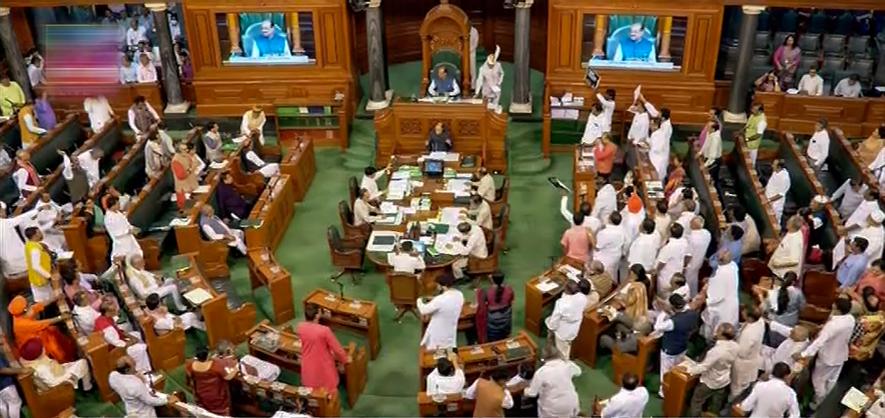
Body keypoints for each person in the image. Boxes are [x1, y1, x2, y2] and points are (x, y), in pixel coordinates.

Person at [794, 297, 856, 407]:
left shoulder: (833, 325)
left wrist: (803, 354)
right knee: (832, 380)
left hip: (828, 357)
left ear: (837, 309)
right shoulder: (850, 319)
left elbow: (819, 342)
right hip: (840, 355)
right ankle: (827, 399)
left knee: (818, 380)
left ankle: (819, 402)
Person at [684, 323, 739, 416]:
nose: (716, 331)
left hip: (710, 381)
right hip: (724, 380)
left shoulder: (716, 351)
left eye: (718, 330)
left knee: (697, 401)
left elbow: (704, 367)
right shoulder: (736, 346)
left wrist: (688, 370)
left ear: (722, 335)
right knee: (716, 404)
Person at [296, 304, 349, 392]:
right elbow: (337, 349)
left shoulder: (300, 327)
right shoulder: (324, 330)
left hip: (308, 365)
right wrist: (344, 360)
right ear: (317, 315)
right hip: (323, 366)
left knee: (313, 391)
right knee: (329, 391)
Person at [8, 296, 77, 362]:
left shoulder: (21, 313)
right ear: (24, 311)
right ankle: (65, 360)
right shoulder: (23, 324)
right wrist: (61, 317)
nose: (31, 306)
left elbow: (38, 306)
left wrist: (54, 298)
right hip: (33, 344)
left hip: (38, 332)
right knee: (56, 349)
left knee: (54, 331)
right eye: (28, 306)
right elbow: (46, 322)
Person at [654, 294, 699, 397]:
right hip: (682, 346)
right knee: (676, 368)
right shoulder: (693, 314)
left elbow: (657, 327)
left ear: (672, 306)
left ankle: (663, 392)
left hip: (670, 349)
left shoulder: (672, 322)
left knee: (665, 371)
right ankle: (674, 387)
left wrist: (663, 313)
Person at [94, 301, 153, 374]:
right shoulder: (107, 329)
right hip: (115, 352)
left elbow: (119, 331)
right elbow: (120, 346)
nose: (117, 311)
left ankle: (149, 357)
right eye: (115, 310)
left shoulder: (104, 317)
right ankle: (143, 371)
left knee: (137, 334)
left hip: (120, 341)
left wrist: (131, 337)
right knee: (141, 348)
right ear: (108, 312)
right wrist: (133, 341)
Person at [525, 345, 581, 418]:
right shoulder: (567, 365)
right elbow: (578, 372)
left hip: (552, 409)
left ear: (543, 359)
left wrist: (525, 390)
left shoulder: (541, 372)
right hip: (571, 404)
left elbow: (532, 393)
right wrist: (566, 361)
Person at [110, 356, 175, 418]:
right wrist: (167, 401)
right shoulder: (135, 385)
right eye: (133, 366)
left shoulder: (112, 377)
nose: (135, 369)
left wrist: (134, 376)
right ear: (127, 370)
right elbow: (150, 401)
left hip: (131, 410)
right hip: (145, 414)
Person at [18, 338, 92, 392]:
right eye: (42, 347)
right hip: (59, 382)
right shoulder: (41, 368)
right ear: (38, 353)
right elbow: (52, 384)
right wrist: (68, 376)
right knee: (83, 362)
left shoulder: (35, 358)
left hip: (58, 371)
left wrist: (63, 367)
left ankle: (87, 386)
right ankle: (87, 388)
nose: (44, 347)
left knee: (78, 363)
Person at [735, 362, 800, 418]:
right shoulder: (790, 393)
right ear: (786, 376)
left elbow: (746, 407)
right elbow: (795, 415)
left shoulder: (760, 386)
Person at [185, 346, 237, 415]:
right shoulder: (216, 365)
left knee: (207, 412)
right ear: (208, 355)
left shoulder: (190, 365)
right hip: (217, 394)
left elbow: (189, 380)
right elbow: (228, 377)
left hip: (201, 394)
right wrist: (236, 368)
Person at [417, 274, 464, 350]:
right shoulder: (459, 295)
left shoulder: (440, 299)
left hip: (438, 331)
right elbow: (448, 300)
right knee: (449, 349)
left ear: (443, 286)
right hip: (450, 329)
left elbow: (423, 310)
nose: (437, 287)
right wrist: (434, 298)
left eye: (438, 285)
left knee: (435, 352)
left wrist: (418, 300)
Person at [701, 249, 740, 340]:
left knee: (718, 332)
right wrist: (711, 281)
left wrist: (705, 298)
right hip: (732, 303)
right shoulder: (733, 265)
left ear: (719, 260)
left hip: (722, 307)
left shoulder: (721, 274)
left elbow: (716, 297)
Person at [545, 280, 588, 359]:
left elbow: (555, 318)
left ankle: (563, 363)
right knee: (567, 346)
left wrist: (551, 328)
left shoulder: (561, 303)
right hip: (574, 328)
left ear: (566, 290)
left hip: (563, 330)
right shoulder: (583, 297)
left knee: (562, 352)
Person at [731, 306, 766, 399]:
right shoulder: (760, 321)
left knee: (737, 388)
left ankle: (732, 403)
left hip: (743, 364)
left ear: (750, 318)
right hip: (753, 359)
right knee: (744, 385)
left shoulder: (749, 334)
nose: (742, 314)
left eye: (744, 314)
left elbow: (742, 352)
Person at [475, 271, 514, 343]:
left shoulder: (486, 291)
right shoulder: (509, 289)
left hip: (493, 321)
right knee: (504, 337)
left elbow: (482, 305)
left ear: (492, 279)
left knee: (493, 340)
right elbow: (511, 301)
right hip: (506, 318)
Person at [0, 204, 37, 276]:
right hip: (22, 264)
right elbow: (23, 217)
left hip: (9, 269)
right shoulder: (5, 223)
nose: (5, 212)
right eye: (3, 210)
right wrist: (39, 209)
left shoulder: (7, 222)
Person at [104, 195, 143, 260]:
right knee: (125, 258)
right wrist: (127, 231)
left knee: (138, 254)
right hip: (121, 242)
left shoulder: (118, 213)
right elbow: (115, 233)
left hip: (129, 239)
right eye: (118, 204)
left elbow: (126, 223)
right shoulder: (108, 218)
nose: (119, 205)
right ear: (113, 206)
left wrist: (133, 228)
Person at [23, 227, 53, 303]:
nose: (41, 234)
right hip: (40, 279)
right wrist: (49, 276)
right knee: (46, 301)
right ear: (35, 235)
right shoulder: (35, 249)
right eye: (39, 232)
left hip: (36, 277)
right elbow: (36, 266)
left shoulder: (29, 244)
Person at [595, 212, 626, 281]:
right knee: (613, 274)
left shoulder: (605, 232)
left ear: (610, 220)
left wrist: (594, 232)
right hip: (616, 256)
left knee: (603, 278)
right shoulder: (622, 229)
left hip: (605, 259)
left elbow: (597, 247)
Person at [171, 142, 201, 211]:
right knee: (187, 209)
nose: (187, 150)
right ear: (179, 151)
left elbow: (196, 163)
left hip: (192, 185)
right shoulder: (176, 161)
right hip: (183, 189)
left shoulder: (187, 156)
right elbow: (181, 175)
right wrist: (191, 169)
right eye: (184, 149)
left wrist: (191, 167)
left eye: (186, 149)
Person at [764, 159, 791, 225]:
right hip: (768, 195)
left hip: (776, 203)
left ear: (779, 167)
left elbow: (781, 194)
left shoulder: (785, 178)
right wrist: (764, 189)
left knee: (775, 220)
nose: (772, 165)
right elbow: (771, 182)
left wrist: (769, 200)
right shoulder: (775, 171)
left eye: (774, 164)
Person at [0, 354, 24, 418]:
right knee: (15, 404)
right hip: (5, 384)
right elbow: (2, 369)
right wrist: (22, 370)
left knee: (3, 407)